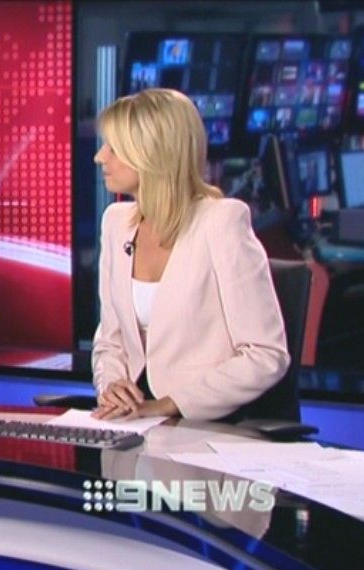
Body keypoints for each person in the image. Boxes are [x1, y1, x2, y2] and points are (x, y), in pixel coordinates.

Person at [90, 88, 288, 422]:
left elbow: (266, 355)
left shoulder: (221, 222)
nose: (100, 157)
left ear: (151, 152)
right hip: (135, 420)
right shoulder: (115, 223)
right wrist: (112, 386)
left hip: (206, 423)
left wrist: (170, 404)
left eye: (114, 148)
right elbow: (110, 340)